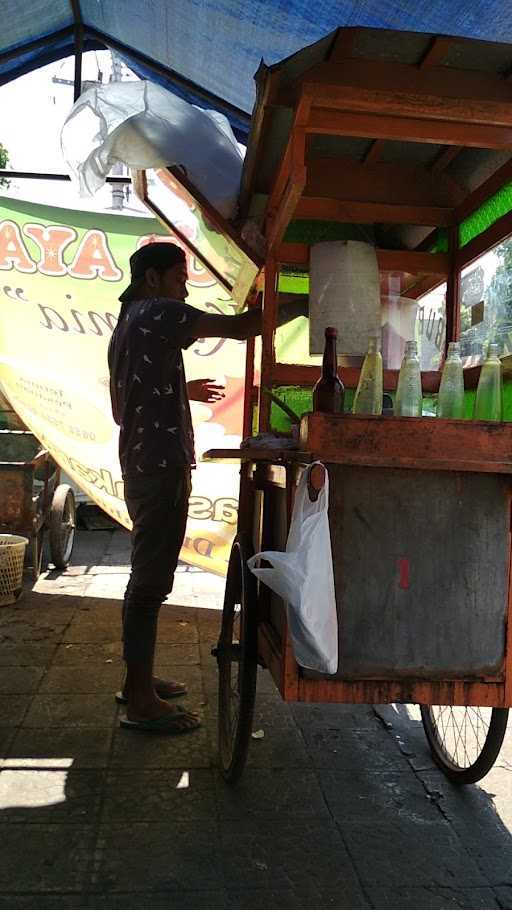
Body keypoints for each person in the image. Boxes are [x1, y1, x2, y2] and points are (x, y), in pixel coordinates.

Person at [108, 241, 307, 734]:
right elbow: (242, 328)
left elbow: (129, 397)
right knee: (149, 581)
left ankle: (140, 681)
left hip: (143, 461)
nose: (184, 289)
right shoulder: (157, 311)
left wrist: (183, 389)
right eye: (179, 278)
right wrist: (306, 300)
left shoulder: (131, 320)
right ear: (153, 279)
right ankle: (140, 701)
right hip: (158, 467)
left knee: (146, 576)